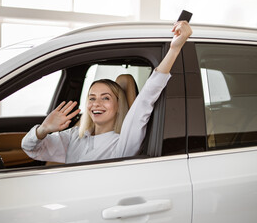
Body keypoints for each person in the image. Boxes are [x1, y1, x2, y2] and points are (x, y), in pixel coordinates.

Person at [22, 21, 193, 163]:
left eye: (105, 98)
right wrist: (43, 129)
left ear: (119, 105)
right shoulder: (75, 136)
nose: (96, 103)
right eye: (92, 98)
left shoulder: (122, 142)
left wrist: (174, 49)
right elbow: (31, 149)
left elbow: (146, 99)